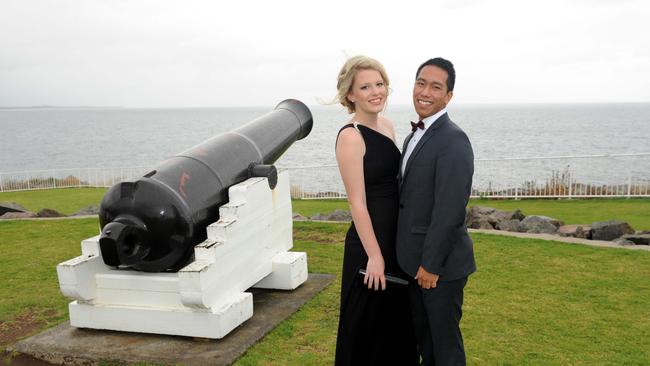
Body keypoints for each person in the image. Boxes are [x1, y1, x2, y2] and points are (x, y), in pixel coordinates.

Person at [334, 55, 418, 366]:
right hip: (370, 247)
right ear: (350, 95)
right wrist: (374, 256)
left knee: (395, 329)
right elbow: (356, 201)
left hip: (394, 242)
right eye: (365, 86)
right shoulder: (350, 137)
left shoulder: (387, 125)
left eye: (379, 84)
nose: (375, 91)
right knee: (367, 330)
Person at [396, 57, 476, 365]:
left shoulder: (453, 140)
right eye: (420, 83)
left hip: (439, 268)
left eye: (435, 86)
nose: (425, 92)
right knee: (426, 345)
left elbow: (450, 210)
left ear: (449, 96)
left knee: (444, 350)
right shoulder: (413, 135)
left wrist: (430, 265)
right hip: (413, 264)